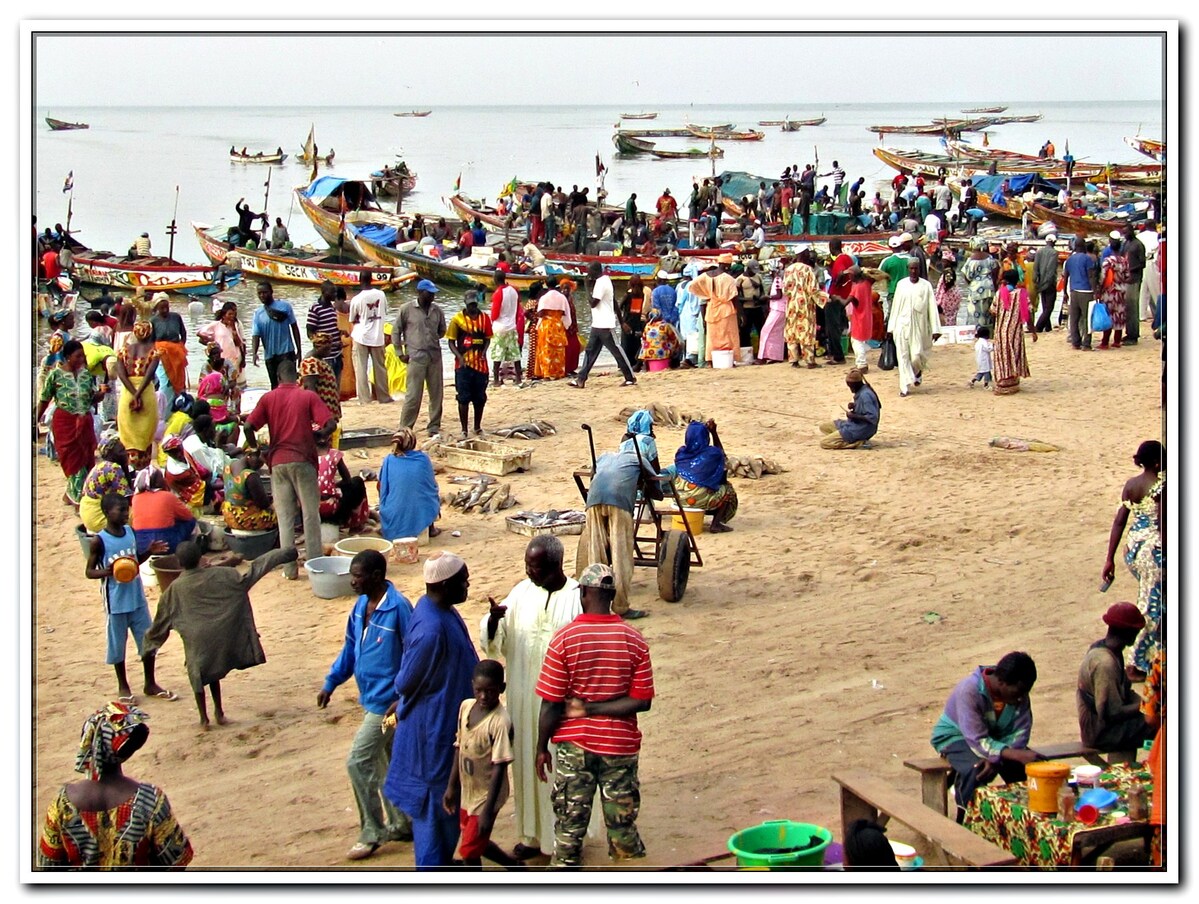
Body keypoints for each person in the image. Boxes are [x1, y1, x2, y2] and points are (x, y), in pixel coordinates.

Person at [534, 563, 655, 868]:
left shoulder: (564, 639)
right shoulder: (634, 640)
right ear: (612, 595)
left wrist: (540, 748)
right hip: (620, 747)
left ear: (585, 593)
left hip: (575, 748)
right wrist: (599, 709)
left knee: (569, 831)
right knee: (623, 832)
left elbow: (550, 702)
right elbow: (641, 701)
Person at [479, 536, 582, 861]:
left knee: (563, 772)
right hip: (525, 701)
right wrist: (494, 620)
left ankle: (564, 842)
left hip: (564, 708)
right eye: (527, 565)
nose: (528, 571)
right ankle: (532, 836)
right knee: (527, 765)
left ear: (554, 566)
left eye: (534, 567)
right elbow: (497, 641)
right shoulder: (522, 593)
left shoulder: (578, 598)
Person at [383, 552, 480, 869]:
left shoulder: (441, 611)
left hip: (447, 719)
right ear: (445, 584)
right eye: (463, 581)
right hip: (434, 729)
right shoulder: (431, 629)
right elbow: (407, 680)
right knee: (436, 810)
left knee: (445, 811)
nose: (467, 586)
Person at [318, 550, 415, 860]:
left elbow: (414, 654)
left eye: (357, 575)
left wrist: (403, 698)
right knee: (387, 762)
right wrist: (331, 682)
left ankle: (371, 831)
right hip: (369, 696)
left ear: (376, 576)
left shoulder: (399, 609)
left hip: (386, 706)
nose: (352, 581)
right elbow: (350, 648)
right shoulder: (360, 607)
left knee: (358, 761)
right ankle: (401, 822)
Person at [144, 539, 294, 728]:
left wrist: (149, 646)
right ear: (201, 558)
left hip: (197, 642)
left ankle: (203, 718)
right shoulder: (225, 575)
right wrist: (286, 553)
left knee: (197, 674)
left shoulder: (174, 590)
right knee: (214, 674)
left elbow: (159, 626)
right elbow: (256, 569)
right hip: (220, 635)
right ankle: (219, 712)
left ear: (179, 563)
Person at [37, 701, 193, 868]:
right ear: (125, 752)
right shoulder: (150, 800)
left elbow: (48, 864)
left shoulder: (62, 804)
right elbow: (176, 860)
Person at [242, 358, 337, 579]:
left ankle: (289, 569)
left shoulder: (268, 398)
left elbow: (248, 426)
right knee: (310, 515)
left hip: (278, 462)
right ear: (297, 377)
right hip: (304, 460)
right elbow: (330, 424)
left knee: (285, 517)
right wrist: (320, 436)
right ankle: (315, 566)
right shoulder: (308, 396)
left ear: (277, 378)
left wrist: (256, 449)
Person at [85, 493, 175, 701]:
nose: (126, 514)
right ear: (108, 513)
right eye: (121, 510)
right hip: (115, 602)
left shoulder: (130, 532)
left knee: (147, 641)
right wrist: (108, 572)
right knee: (118, 644)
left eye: (127, 509)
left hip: (136, 598)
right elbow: (89, 572)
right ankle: (123, 685)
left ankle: (150, 683)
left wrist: (148, 551)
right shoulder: (99, 541)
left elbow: (134, 561)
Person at [930, 651, 1039, 818]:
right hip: (957, 737)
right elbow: (976, 738)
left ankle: (1027, 821)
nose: (1021, 699)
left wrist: (1000, 757)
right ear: (1001, 682)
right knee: (977, 770)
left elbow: (1020, 733)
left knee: (1033, 768)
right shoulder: (970, 690)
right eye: (1018, 692)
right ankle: (966, 822)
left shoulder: (1019, 695)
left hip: (995, 741)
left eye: (1025, 693)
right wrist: (1007, 754)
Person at [442, 660, 519, 869]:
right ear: (472, 686)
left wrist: (487, 810)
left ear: (501, 689)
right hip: (469, 790)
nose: (484, 696)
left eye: (490, 691)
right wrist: (451, 786)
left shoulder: (500, 722)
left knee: (469, 851)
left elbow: (499, 766)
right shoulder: (466, 707)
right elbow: (459, 747)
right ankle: (515, 866)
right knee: (476, 841)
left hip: (487, 795)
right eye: (479, 690)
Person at [575, 445, 662, 619]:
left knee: (596, 552)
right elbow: (657, 491)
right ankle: (621, 606)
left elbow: (594, 476)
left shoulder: (604, 457)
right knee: (621, 555)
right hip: (619, 502)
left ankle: (594, 604)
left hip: (593, 500)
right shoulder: (640, 458)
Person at [1102, 440, 1164, 680]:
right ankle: (1136, 664)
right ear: (1158, 462)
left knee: (1155, 600)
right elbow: (1163, 525)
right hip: (1154, 552)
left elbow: (1119, 522)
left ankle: (1157, 656)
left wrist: (1110, 559)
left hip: (1134, 549)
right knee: (1152, 606)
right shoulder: (1160, 487)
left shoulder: (1131, 485)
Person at [1076, 602, 1153, 751]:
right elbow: (1112, 713)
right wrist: (1147, 706)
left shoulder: (1109, 650)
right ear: (1128, 632)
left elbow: (1126, 693)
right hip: (1100, 732)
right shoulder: (1105, 664)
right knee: (1162, 723)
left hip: (1104, 725)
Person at [36, 339, 102, 506]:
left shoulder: (86, 375)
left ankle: (72, 495)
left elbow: (91, 399)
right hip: (65, 423)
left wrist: (100, 395)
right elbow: (44, 399)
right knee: (73, 462)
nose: (81, 360)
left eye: (83, 356)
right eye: (77, 356)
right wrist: (34, 421)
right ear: (67, 357)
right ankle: (78, 498)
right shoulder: (55, 375)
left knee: (86, 460)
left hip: (84, 422)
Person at [570, 263, 638, 389]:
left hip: (606, 324)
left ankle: (630, 377)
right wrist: (621, 321)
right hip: (597, 324)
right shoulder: (605, 280)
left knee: (617, 350)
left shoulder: (601, 283)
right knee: (590, 351)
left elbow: (593, 303)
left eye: (589, 271)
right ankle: (581, 379)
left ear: (595, 271)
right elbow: (614, 303)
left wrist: (585, 286)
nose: (588, 274)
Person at [395, 279, 447, 439]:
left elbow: (442, 330)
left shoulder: (437, 311)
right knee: (413, 395)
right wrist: (400, 352)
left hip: (434, 356)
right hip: (416, 357)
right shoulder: (406, 310)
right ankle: (405, 426)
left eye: (433, 294)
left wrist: (430, 339)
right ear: (420, 292)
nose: (432, 296)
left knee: (436, 394)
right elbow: (396, 331)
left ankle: (434, 426)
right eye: (429, 293)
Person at [665, 420, 737, 530]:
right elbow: (722, 458)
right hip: (697, 500)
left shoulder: (682, 453)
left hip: (679, 498)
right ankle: (716, 524)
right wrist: (714, 433)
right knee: (727, 490)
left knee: (703, 490)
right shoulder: (712, 454)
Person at [889, 258, 941, 397]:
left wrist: (936, 329)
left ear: (919, 269)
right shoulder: (901, 285)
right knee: (903, 356)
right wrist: (890, 327)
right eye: (911, 268)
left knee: (917, 355)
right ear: (908, 269)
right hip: (902, 325)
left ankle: (917, 371)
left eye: (916, 268)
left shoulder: (926, 286)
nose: (913, 271)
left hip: (920, 326)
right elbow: (895, 307)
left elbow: (932, 307)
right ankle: (904, 387)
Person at [445, 290, 493, 439]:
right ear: (465, 304)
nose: (472, 307)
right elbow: (451, 341)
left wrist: (484, 352)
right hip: (463, 366)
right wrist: (459, 357)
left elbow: (488, 338)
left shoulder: (485, 318)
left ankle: (477, 427)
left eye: (474, 304)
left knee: (480, 397)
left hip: (480, 365)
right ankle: (464, 429)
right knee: (463, 397)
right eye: (470, 305)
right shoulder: (457, 320)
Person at [378, 428, 441, 541]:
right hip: (421, 510)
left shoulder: (388, 460)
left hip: (393, 515)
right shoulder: (423, 459)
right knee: (431, 491)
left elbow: (382, 487)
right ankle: (430, 527)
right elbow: (431, 486)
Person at [113, 321, 160, 473]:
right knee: (145, 435)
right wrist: (139, 394)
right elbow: (149, 375)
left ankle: (129, 468)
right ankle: (143, 469)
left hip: (127, 393)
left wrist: (133, 394)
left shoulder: (123, 351)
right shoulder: (154, 352)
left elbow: (121, 375)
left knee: (128, 433)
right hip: (145, 393)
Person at [130, 467, 196, 555]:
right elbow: (188, 517)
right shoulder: (167, 496)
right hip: (166, 544)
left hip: (142, 545)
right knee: (191, 521)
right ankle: (188, 551)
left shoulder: (135, 498)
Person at [990, 268, 1036, 395]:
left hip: (1001, 331)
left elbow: (993, 311)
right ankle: (1012, 382)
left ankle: (1002, 383)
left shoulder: (1000, 293)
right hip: (1015, 331)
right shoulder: (1021, 294)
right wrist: (1033, 331)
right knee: (1014, 355)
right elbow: (1028, 314)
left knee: (1002, 357)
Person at [349, 272, 391, 404]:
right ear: (372, 280)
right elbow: (384, 311)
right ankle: (383, 396)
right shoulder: (381, 295)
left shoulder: (357, 299)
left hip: (361, 336)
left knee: (361, 368)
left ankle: (365, 399)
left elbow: (352, 319)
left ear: (359, 281)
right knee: (380, 367)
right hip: (378, 335)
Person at [249, 282, 301, 390]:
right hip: (270, 356)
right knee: (274, 386)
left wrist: (299, 350)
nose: (262, 295)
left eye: (265, 292)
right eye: (259, 293)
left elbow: (294, 327)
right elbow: (256, 335)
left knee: (290, 384)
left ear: (271, 292)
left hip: (286, 352)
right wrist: (254, 353)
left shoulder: (285, 307)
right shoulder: (258, 314)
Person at [79, 435, 133, 534]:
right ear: (111, 454)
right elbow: (125, 498)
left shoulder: (99, 465)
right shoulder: (113, 468)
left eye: (124, 450)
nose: (125, 454)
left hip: (86, 512)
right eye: (121, 451)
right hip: (98, 515)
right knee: (137, 516)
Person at [317, 434, 370, 533]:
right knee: (357, 482)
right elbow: (347, 480)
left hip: (310, 508)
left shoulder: (306, 455)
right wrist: (334, 486)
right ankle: (355, 525)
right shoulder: (333, 454)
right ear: (330, 440)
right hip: (331, 508)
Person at [818, 369, 881, 450]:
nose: (850, 388)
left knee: (825, 443)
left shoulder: (865, 395)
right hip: (852, 424)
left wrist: (853, 416)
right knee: (824, 427)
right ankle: (845, 438)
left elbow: (873, 418)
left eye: (851, 386)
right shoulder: (862, 390)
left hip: (861, 429)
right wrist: (855, 406)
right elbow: (865, 408)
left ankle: (858, 443)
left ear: (856, 384)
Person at [783, 247, 823, 368]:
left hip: (791, 305)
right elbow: (813, 290)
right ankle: (809, 360)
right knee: (806, 330)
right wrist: (825, 299)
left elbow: (785, 289)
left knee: (792, 330)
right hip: (805, 304)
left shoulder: (788, 270)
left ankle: (793, 359)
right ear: (804, 254)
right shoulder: (808, 270)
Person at [221, 446, 277, 531]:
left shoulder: (229, 465)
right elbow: (263, 504)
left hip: (229, 514)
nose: (260, 465)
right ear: (249, 455)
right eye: (259, 461)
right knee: (282, 513)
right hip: (245, 520)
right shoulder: (250, 476)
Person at [149, 293, 188, 405]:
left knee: (179, 381)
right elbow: (151, 341)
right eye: (162, 308)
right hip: (162, 356)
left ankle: (177, 405)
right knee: (165, 382)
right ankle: (163, 407)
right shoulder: (153, 321)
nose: (165, 310)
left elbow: (183, 334)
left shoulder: (176, 317)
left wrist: (181, 347)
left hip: (176, 354)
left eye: (167, 307)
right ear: (156, 308)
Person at [305, 280, 344, 383]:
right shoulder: (315, 308)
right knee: (327, 385)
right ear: (324, 292)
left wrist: (340, 333)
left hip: (337, 353)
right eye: (332, 292)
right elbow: (310, 331)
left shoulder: (332, 308)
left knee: (336, 385)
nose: (335, 295)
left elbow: (332, 326)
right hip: (326, 357)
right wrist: (320, 346)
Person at [490, 269, 524, 387]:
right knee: (515, 354)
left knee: (497, 354)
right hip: (512, 326)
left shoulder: (498, 293)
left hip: (500, 327)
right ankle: (518, 378)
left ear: (495, 280)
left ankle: (496, 380)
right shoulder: (513, 291)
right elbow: (516, 308)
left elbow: (494, 314)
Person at [1063, 236, 1097, 350]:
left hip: (1073, 291)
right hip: (1086, 291)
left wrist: (1064, 292)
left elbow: (1066, 276)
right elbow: (1091, 275)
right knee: (1087, 318)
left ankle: (1075, 342)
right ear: (1083, 246)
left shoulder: (1069, 259)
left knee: (1074, 318)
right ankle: (1086, 343)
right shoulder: (1087, 259)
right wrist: (1095, 291)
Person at [534, 277, 572, 380]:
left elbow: (540, 313)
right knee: (558, 350)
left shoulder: (544, 298)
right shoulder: (562, 298)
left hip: (546, 325)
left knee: (546, 350)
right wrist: (565, 324)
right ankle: (558, 373)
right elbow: (566, 313)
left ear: (546, 284)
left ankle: (546, 374)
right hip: (558, 325)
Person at [1097, 233, 1129, 350]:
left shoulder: (1107, 261)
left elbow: (1103, 277)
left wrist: (1099, 290)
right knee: (1119, 316)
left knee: (1108, 315)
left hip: (1109, 292)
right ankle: (1117, 341)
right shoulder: (1124, 261)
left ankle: (1105, 342)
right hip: (1121, 291)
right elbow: (1127, 276)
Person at [961, 238, 999, 329]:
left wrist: (972, 284)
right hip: (990, 289)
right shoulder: (990, 258)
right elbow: (995, 272)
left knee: (975, 313)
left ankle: (977, 331)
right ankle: (989, 332)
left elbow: (967, 276)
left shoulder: (971, 260)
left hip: (976, 289)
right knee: (988, 313)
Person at [755, 263, 788, 364]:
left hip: (778, 309)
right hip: (782, 309)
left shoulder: (778, 279)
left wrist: (767, 297)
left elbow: (778, 295)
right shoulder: (782, 279)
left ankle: (762, 357)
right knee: (777, 334)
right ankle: (776, 356)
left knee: (766, 331)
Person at [618, 275, 649, 374]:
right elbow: (636, 311)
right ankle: (636, 363)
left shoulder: (628, 295)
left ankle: (625, 365)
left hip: (627, 323)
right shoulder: (641, 295)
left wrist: (622, 321)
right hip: (636, 323)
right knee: (635, 344)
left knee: (626, 345)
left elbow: (619, 307)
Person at [1032, 235, 1060, 332]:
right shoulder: (1054, 253)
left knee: (1045, 305)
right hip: (1049, 283)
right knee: (1049, 307)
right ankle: (1039, 326)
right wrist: (1048, 282)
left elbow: (1036, 268)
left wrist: (1035, 281)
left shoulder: (1039, 252)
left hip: (1040, 282)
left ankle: (1048, 327)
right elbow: (1051, 270)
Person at [934, 265, 961, 330]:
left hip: (942, 323)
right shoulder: (957, 292)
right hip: (952, 323)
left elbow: (938, 304)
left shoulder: (942, 292)